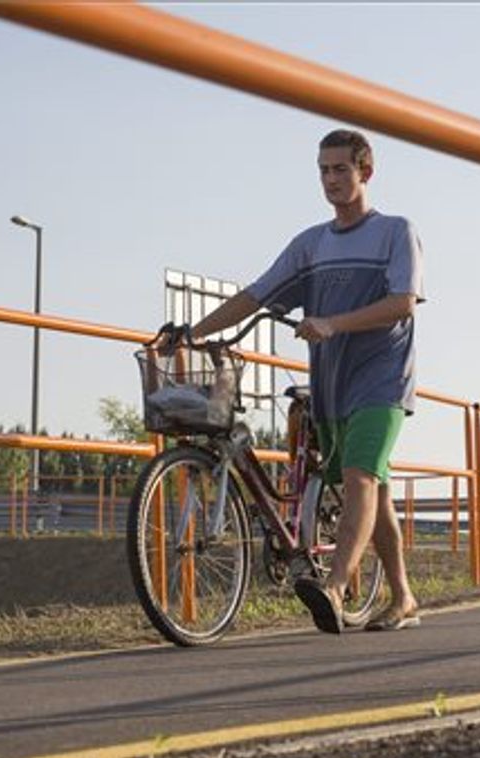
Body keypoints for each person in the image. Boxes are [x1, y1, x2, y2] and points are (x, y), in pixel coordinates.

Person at [180, 128, 424, 634]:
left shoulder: (397, 232)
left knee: (360, 476)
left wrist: (334, 322)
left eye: (340, 169)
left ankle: (333, 589)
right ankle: (403, 596)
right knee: (372, 487)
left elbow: (402, 301)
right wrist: (192, 333)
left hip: (381, 380)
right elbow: (256, 294)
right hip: (331, 386)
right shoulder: (310, 245)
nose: (331, 180)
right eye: (323, 171)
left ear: (366, 172)